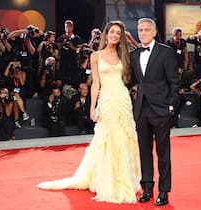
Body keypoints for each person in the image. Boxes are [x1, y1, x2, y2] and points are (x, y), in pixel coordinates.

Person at [37, 21, 140, 204]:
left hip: (123, 101)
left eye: (119, 33)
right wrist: (92, 107)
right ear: (106, 34)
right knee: (107, 140)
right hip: (107, 101)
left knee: (125, 138)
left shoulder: (124, 55)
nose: (115, 35)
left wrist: (131, 39)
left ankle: (126, 179)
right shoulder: (95, 56)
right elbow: (96, 84)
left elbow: (143, 54)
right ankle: (108, 180)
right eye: (112, 32)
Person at [130, 18, 179, 206]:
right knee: (144, 152)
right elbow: (132, 80)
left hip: (161, 110)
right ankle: (147, 187)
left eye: (146, 30)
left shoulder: (165, 52)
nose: (142, 33)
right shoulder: (134, 55)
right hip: (142, 109)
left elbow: (174, 81)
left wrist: (171, 105)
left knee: (163, 153)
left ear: (154, 32)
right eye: (140, 30)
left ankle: (164, 191)